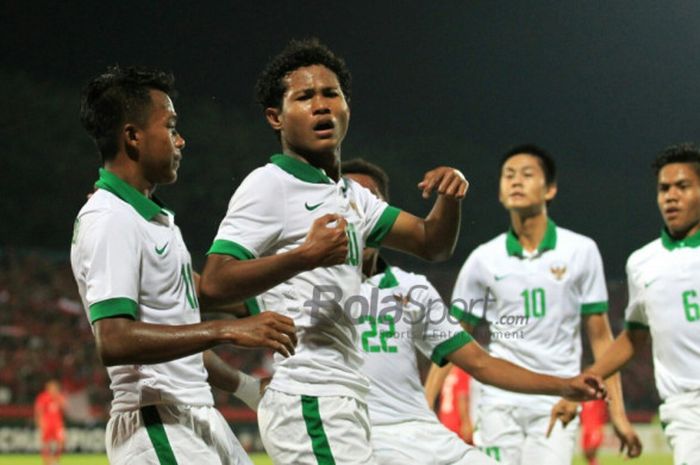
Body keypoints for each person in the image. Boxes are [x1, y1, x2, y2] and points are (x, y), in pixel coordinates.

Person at [198, 37, 477, 465]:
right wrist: (304, 256)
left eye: (331, 93)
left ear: (347, 105)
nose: (321, 105)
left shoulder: (352, 196)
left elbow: (431, 244)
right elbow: (216, 281)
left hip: (344, 396)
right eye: (304, 97)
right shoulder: (269, 184)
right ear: (275, 116)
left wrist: (450, 197)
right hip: (311, 396)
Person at [71, 65, 297, 465]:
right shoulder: (110, 218)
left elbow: (186, 314)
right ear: (133, 137)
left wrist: (246, 384)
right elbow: (116, 340)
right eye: (171, 126)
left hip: (192, 414)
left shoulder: (151, 218)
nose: (181, 140)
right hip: (155, 423)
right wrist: (228, 329)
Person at [343, 158, 607, 465]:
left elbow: (480, 363)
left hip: (418, 435)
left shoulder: (412, 289)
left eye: (369, 200)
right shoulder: (304, 282)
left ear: (385, 214)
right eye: (347, 198)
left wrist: (564, 385)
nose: (358, 209)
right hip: (354, 437)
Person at [424, 144, 640, 464]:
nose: (515, 181)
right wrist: (426, 406)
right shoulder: (483, 259)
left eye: (527, 175)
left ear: (550, 189)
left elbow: (600, 337)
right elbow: (452, 340)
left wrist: (618, 413)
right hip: (497, 402)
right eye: (508, 175)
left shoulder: (581, 251)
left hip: (557, 399)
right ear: (499, 191)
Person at [589, 142, 700, 465]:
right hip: (687, 409)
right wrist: (585, 380)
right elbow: (634, 336)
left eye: (683, 186)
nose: (671, 196)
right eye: (664, 188)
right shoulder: (643, 263)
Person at [34, 380, 66, 465]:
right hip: (47, 424)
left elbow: (64, 408)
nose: (54, 389)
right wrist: (40, 422)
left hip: (58, 424)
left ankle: (55, 460)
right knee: (46, 443)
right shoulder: (43, 397)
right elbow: (39, 411)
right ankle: (46, 462)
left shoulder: (59, 397)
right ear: (48, 388)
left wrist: (61, 400)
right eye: (52, 387)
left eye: (55, 387)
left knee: (62, 441)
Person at [579, 399, 607, 465]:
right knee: (586, 454)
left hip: (595, 429)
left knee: (591, 451)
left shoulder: (598, 399)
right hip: (586, 429)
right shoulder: (583, 400)